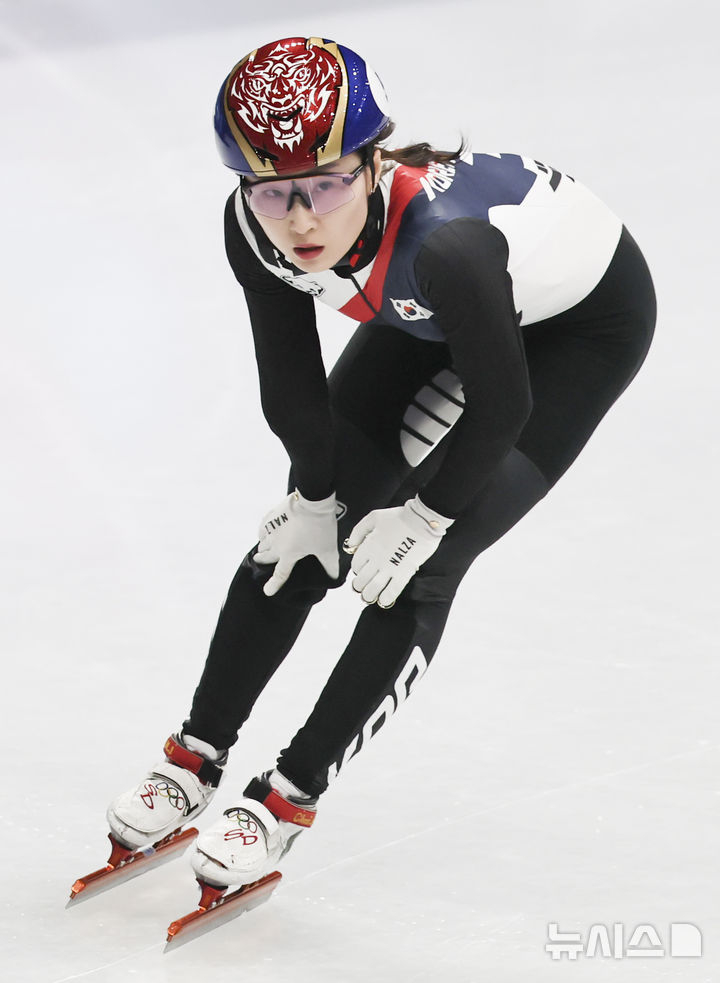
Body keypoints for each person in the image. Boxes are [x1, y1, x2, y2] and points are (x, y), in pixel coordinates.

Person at [107, 36, 656, 889]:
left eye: (324, 185)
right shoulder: (255, 233)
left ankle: (287, 798)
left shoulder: (445, 244)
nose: (300, 221)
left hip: (572, 331)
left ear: (370, 165)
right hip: (435, 316)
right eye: (274, 192)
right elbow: (290, 386)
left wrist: (427, 516)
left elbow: (503, 406)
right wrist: (317, 499)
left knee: (420, 568)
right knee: (298, 538)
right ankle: (195, 753)